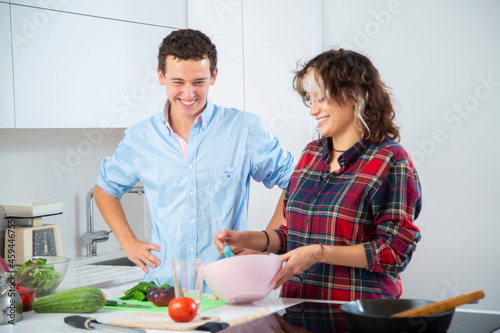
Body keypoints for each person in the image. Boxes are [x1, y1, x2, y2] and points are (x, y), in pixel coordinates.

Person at [216, 48, 422, 309]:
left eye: (321, 99)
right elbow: (295, 235)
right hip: (296, 314)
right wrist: (249, 240)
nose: (313, 110)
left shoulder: (390, 160)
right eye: (309, 100)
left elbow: (394, 251)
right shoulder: (311, 154)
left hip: (356, 318)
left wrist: (319, 253)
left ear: (353, 96)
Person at [94, 29, 295, 289]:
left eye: (198, 82)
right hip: (163, 288)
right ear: (160, 76)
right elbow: (105, 188)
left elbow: (297, 181)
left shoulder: (245, 129)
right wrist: (128, 242)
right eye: (178, 82)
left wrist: (267, 242)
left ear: (213, 76)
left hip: (226, 288)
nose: (188, 94)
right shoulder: (139, 138)